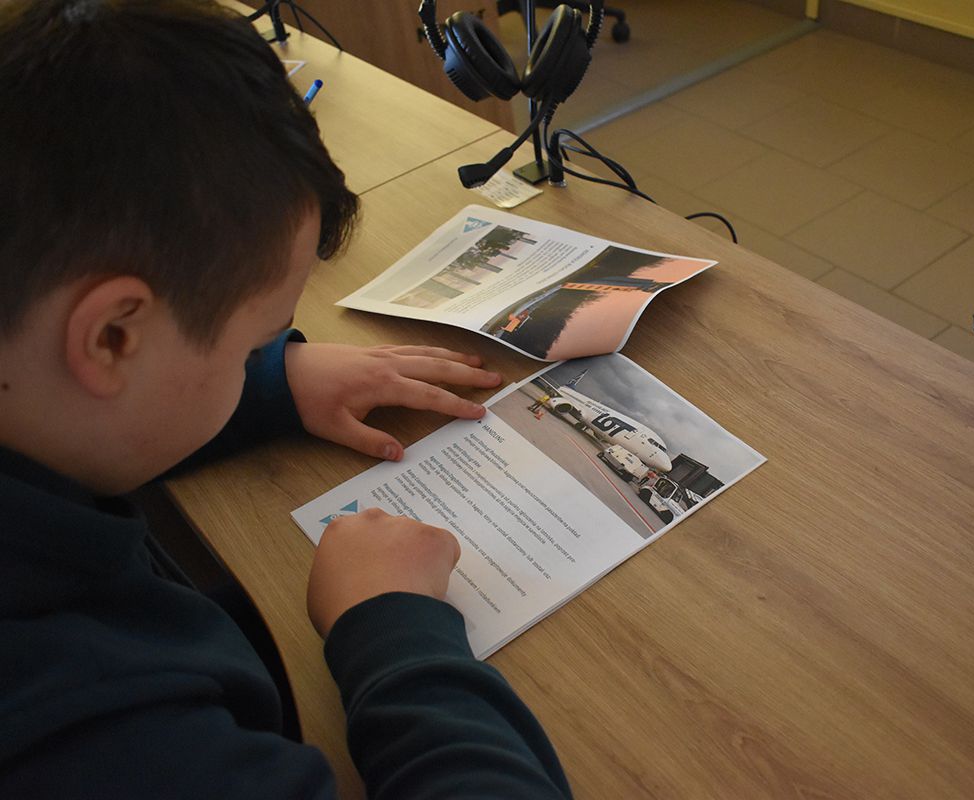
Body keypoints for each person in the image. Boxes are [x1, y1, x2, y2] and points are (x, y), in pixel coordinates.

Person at [0, 0, 573, 796]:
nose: (257, 364)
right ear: (112, 337)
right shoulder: (88, 736)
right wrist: (392, 628)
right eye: (250, 349)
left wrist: (274, 381)